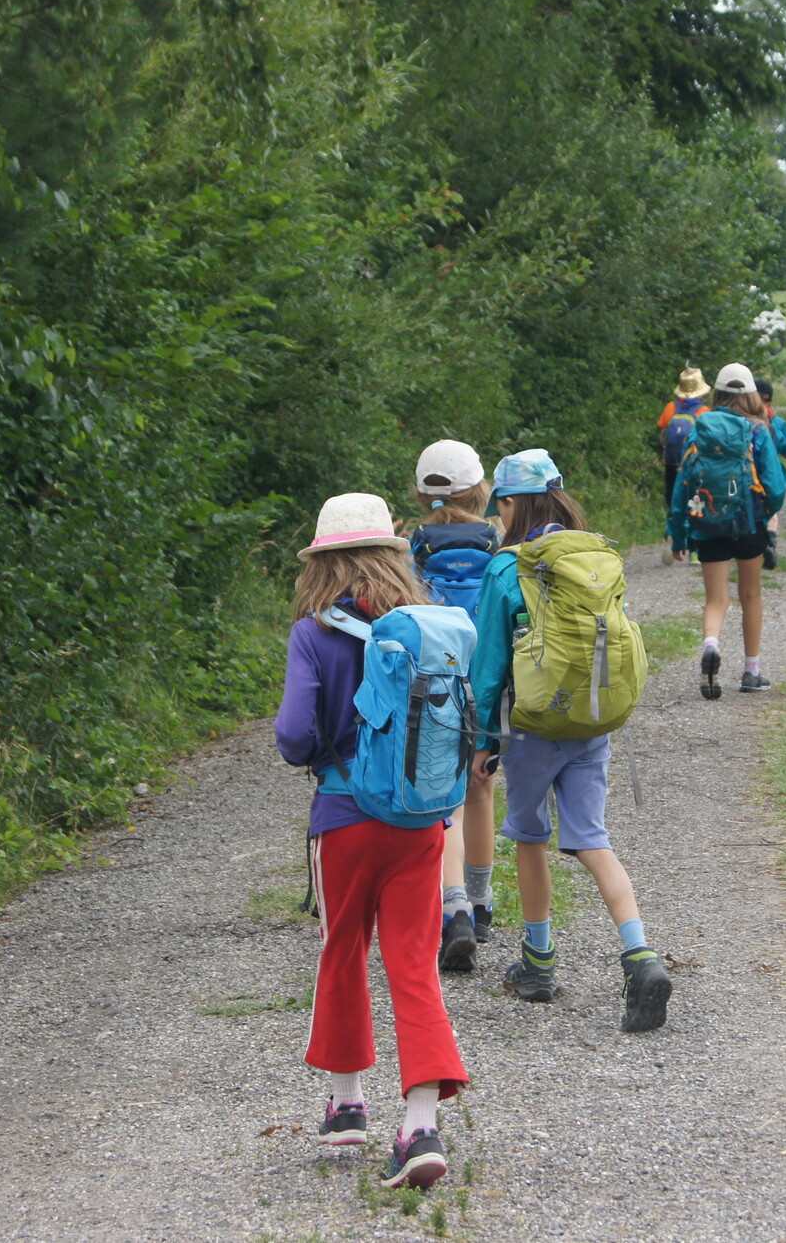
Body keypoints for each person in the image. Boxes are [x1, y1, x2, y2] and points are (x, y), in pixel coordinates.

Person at [274, 493, 468, 1190]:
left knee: (343, 948)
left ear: (320, 563)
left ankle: (347, 1102)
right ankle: (420, 1125)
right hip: (420, 820)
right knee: (414, 963)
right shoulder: (426, 624)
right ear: (392, 554)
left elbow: (294, 735)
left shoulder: (313, 634)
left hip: (344, 818)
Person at [468, 449, 674, 1033]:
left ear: (513, 502)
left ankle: (538, 962)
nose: (499, 517)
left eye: (501, 507)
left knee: (529, 834)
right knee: (591, 838)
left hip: (535, 726)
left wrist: (483, 740)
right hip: (592, 720)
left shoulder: (508, 568)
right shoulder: (595, 556)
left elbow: (489, 664)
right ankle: (639, 955)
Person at [406, 440, 500, 972]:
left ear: (421, 494)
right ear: (480, 489)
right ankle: (482, 904)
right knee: (481, 787)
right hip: (485, 683)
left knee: (444, 797)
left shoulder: (410, 548)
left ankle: (453, 903)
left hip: (433, 685)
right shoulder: (497, 543)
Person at [669, 362, 786, 697]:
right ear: (751, 395)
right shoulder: (757, 431)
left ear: (718, 393)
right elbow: (775, 486)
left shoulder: (700, 430)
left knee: (715, 598)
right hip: (749, 523)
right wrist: (766, 515)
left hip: (708, 523)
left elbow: (682, 486)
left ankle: (711, 644)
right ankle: (751, 671)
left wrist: (678, 534)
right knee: (750, 594)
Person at [656, 368, 710, 563]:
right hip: (694, 465)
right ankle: (694, 550)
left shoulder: (670, 407)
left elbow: (663, 437)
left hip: (671, 464)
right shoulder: (704, 412)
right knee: (696, 503)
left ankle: (671, 538)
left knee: (673, 501)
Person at [754, 377, 786, 570]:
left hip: (749, 474)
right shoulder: (778, 423)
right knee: (771, 511)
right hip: (773, 473)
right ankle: (770, 542)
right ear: (770, 399)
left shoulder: (744, 421)